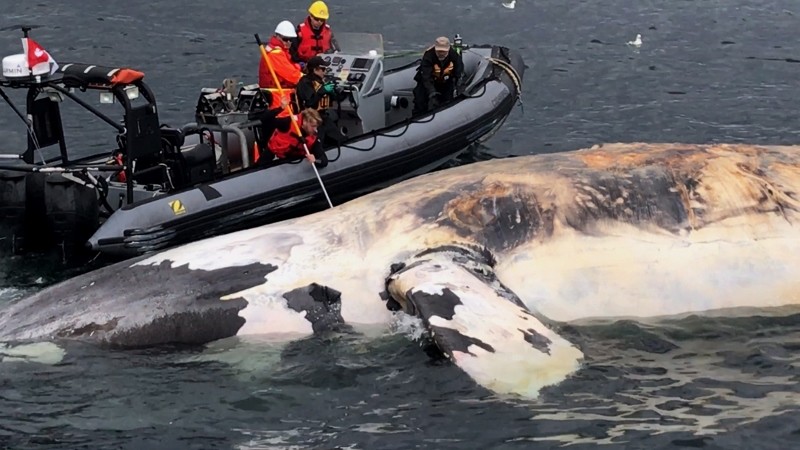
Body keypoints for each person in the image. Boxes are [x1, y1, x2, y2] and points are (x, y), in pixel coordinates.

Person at [295, 56, 342, 146]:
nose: (324, 71)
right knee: (317, 141)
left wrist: (332, 92)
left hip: (323, 116)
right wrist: (323, 90)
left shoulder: (320, 81)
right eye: (323, 69)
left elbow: (331, 100)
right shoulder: (305, 82)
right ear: (315, 70)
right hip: (311, 117)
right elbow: (309, 102)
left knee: (337, 138)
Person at [412, 36, 464, 115]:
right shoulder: (428, 56)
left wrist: (459, 85)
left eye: (443, 51)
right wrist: (432, 92)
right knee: (420, 100)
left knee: (447, 100)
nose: (441, 54)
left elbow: (458, 71)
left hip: (446, 82)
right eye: (439, 51)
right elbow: (426, 77)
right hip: (428, 82)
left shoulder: (454, 56)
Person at [259, 20, 303, 90]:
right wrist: (310, 80)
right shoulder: (275, 54)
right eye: (285, 39)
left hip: (280, 90)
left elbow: (291, 68)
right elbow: (291, 75)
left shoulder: (280, 51)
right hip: (276, 94)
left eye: (291, 40)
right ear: (277, 36)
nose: (288, 42)